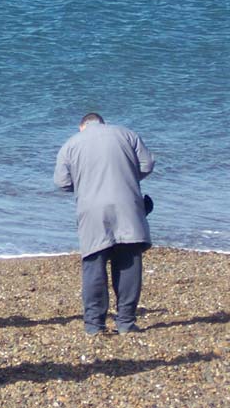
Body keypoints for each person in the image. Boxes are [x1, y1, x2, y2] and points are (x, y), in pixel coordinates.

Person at [53, 112, 155, 335]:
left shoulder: (70, 144)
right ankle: (126, 322)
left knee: (94, 265)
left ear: (82, 126)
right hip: (127, 205)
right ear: (103, 122)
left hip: (91, 210)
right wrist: (127, 176)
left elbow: (61, 182)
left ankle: (94, 325)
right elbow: (147, 164)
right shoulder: (127, 134)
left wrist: (83, 184)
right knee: (128, 263)